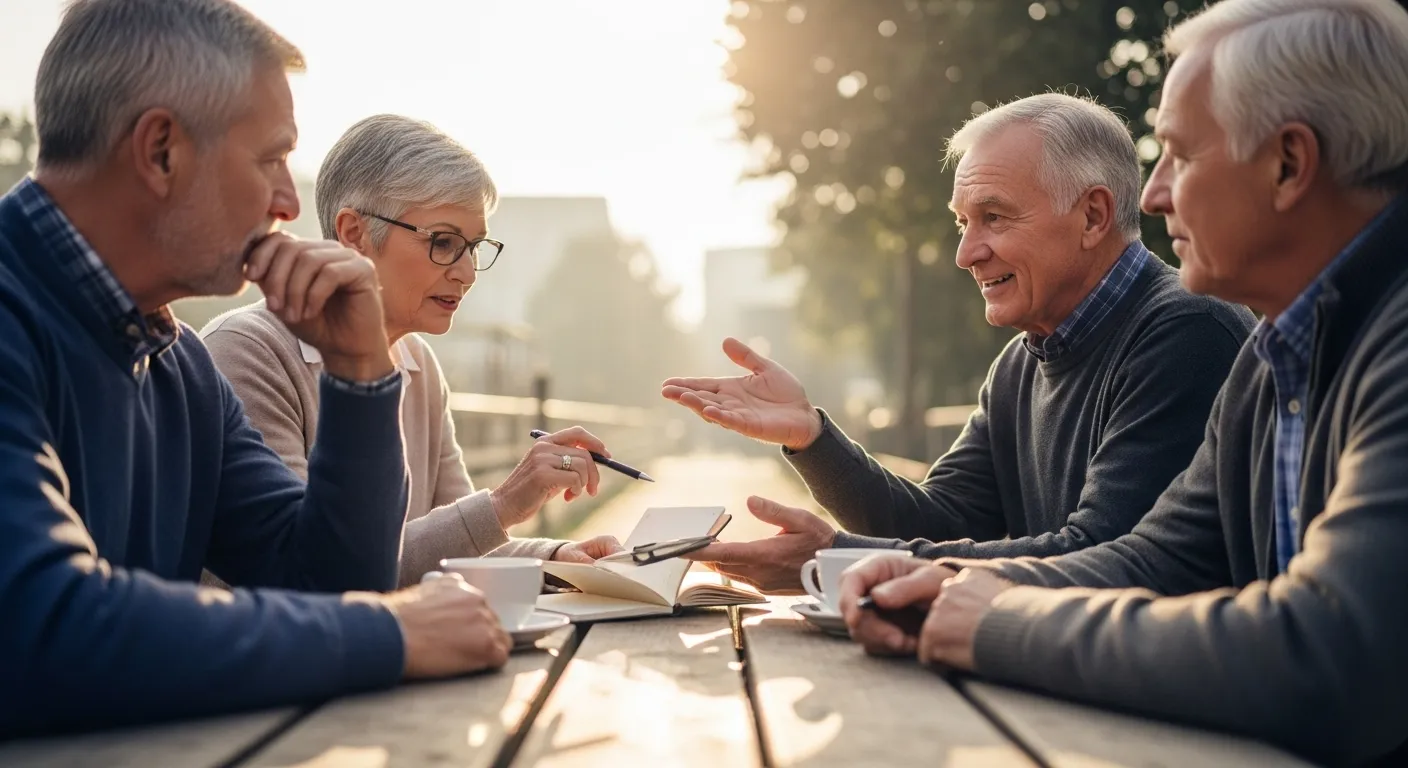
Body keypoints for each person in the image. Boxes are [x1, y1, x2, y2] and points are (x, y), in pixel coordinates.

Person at [840, 0, 1408, 763]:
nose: (1155, 192)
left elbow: (1330, 656)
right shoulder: (1273, 357)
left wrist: (997, 621)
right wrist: (944, 583)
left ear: (1288, 164)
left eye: (1179, 155)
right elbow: (1156, 559)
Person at [1, 0, 509, 736]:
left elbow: (331, 584)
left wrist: (360, 373)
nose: (287, 202)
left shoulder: (180, 367)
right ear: (161, 151)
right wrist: (390, 633)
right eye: (271, 159)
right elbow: (39, 625)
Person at [662, 94, 1254, 592]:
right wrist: (812, 437)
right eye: (962, 222)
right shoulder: (1021, 364)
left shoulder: (1187, 333)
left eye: (994, 216)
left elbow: (1102, 555)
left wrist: (838, 561)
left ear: (1093, 216)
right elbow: (941, 521)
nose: (966, 254)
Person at [202, 114, 622, 587]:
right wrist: (503, 504)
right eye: (443, 242)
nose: (467, 272)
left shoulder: (417, 362)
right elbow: (325, 571)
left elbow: (459, 545)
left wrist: (557, 559)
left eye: (474, 246)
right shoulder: (248, 354)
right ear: (354, 233)